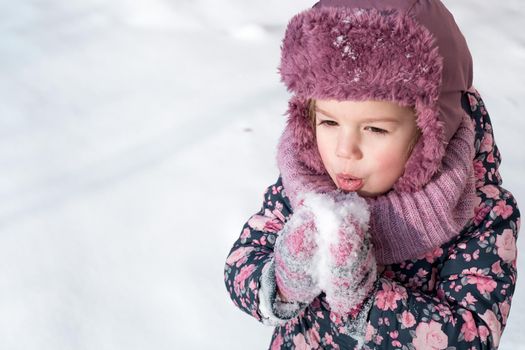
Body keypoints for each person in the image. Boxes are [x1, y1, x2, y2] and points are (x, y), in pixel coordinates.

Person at [224, 0, 520, 348]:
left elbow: (474, 336)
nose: (345, 150)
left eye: (375, 130)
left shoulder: (476, 212)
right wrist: (285, 281)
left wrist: (364, 301)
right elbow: (241, 263)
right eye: (329, 122)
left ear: (430, 133)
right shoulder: (304, 185)